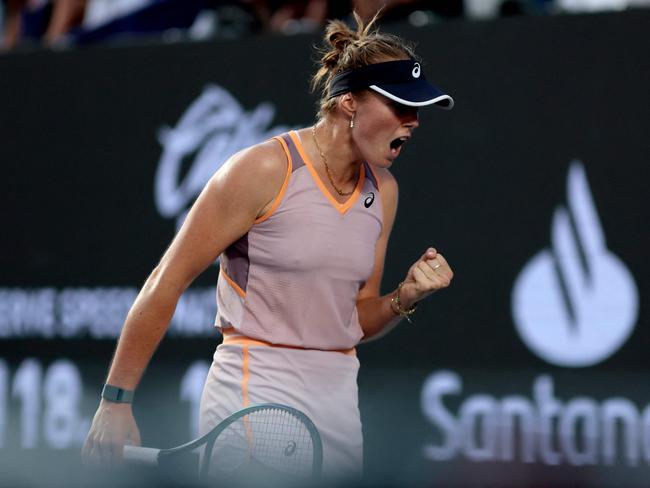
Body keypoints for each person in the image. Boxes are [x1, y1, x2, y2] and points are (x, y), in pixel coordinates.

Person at [82, 11, 455, 480]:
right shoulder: (262, 171)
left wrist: (405, 298)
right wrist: (116, 401)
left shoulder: (384, 191)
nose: (414, 121)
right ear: (349, 104)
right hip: (254, 393)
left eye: (418, 109)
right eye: (401, 106)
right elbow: (167, 280)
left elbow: (354, 318)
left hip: (339, 401)